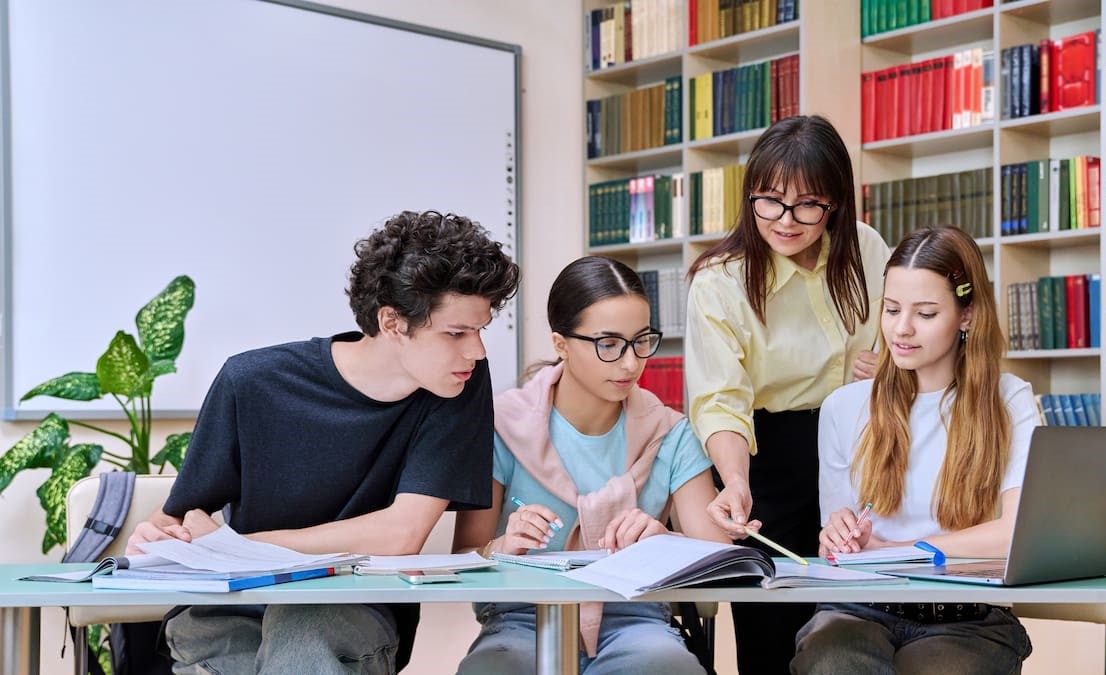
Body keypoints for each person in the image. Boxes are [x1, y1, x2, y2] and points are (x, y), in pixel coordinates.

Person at [125, 210, 520, 675]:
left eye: (480, 330)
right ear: (392, 322)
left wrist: (237, 548)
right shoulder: (251, 381)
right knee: (227, 649)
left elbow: (400, 534)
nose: (477, 351)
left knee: (306, 639)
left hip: (349, 608)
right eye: (456, 333)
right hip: (237, 605)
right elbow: (175, 519)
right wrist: (161, 537)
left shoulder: (458, 384)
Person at [454, 255, 729, 675]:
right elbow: (465, 556)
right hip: (520, 621)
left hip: (638, 620)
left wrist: (665, 543)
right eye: (608, 344)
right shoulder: (499, 428)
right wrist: (502, 547)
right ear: (561, 344)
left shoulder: (672, 434)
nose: (631, 363)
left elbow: (720, 561)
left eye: (641, 341)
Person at [685, 114, 890, 673]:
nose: (786, 220)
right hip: (764, 457)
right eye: (769, 201)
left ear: (836, 203)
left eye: (808, 205)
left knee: (855, 622)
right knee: (771, 632)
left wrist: (885, 369)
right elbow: (720, 400)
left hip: (858, 447)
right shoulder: (720, 280)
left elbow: (907, 336)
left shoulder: (867, 250)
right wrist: (735, 484)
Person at [792, 225, 1036, 674]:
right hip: (861, 609)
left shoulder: (1009, 401)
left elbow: (1015, 535)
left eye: (925, 313)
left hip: (968, 619)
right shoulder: (843, 409)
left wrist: (895, 548)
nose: (901, 329)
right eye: (891, 309)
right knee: (833, 663)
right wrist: (841, 536)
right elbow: (840, 543)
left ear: (967, 315)